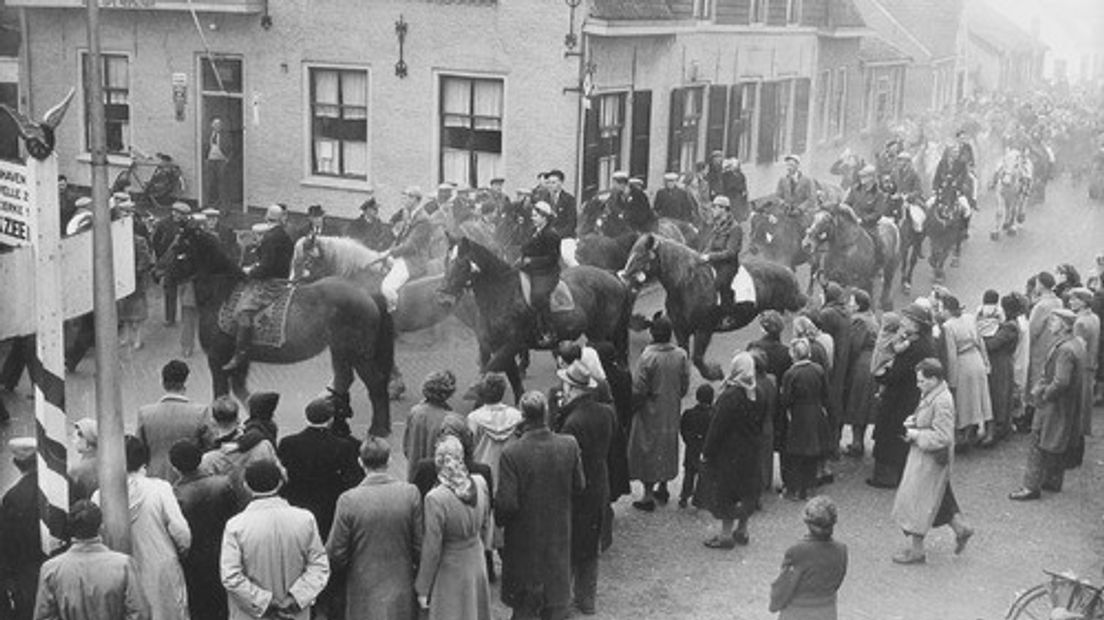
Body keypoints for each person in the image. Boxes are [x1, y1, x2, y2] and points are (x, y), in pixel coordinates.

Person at [497, 391, 584, 620]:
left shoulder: (512, 453)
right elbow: (579, 485)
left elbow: (506, 504)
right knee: (556, 605)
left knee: (525, 607)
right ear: (546, 413)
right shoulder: (569, 445)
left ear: (522, 416)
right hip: (558, 536)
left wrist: (499, 521)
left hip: (524, 541)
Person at [94, 436, 191, 620]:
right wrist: (179, 553)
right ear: (144, 460)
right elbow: (181, 532)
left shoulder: (100, 496)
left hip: (118, 573)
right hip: (160, 568)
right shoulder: (161, 488)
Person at [327, 436, 423, 620]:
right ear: (389, 460)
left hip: (362, 587)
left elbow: (336, 552)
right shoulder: (410, 493)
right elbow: (419, 545)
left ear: (360, 462)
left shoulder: (349, 500)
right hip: (401, 584)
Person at [220, 460, 330, 620]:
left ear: (246, 486)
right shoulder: (305, 519)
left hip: (253, 614)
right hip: (295, 612)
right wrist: (296, 598)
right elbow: (319, 566)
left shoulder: (236, 526)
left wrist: (264, 602)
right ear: (280, 483)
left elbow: (230, 576)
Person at [891, 358, 974, 564]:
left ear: (934, 379)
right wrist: (915, 420)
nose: (918, 385)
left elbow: (943, 436)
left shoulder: (942, 401)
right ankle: (961, 529)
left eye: (921, 381)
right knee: (937, 499)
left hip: (929, 459)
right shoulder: (933, 392)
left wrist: (915, 434)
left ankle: (917, 551)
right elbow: (928, 418)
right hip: (925, 458)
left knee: (918, 502)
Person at [555, 362, 615, 615]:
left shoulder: (571, 422)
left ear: (573, 388)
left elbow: (565, 462)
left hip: (576, 490)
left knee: (569, 545)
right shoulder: (606, 412)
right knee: (590, 546)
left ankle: (563, 599)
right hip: (599, 482)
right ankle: (586, 599)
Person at [414, 436, 493, 620]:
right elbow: (486, 522)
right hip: (476, 560)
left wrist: (423, 588)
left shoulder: (435, 498)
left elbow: (432, 548)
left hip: (450, 569)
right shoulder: (480, 482)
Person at [1010, 309, 1085, 500]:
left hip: (1053, 405)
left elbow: (1060, 381)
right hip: (1068, 405)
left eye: (1054, 321)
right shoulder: (1076, 344)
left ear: (1064, 325)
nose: (1050, 324)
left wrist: (1044, 395)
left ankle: (1030, 486)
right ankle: (1053, 480)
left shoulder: (1065, 349)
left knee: (1037, 442)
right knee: (1058, 440)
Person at [32, 500, 149, 620]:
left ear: (71, 528)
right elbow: (140, 614)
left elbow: (43, 617)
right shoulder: (124, 565)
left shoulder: (51, 569)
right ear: (101, 526)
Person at [700, 352, 767, 548]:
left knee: (727, 491)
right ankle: (743, 529)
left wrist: (707, 451)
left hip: (730, 452)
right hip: (751, 450)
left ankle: (725, 534)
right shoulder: (759, 393)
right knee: (747, 490)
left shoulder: (730, 396)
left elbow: (717, 427)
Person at [868, 302, 937, 488]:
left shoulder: (915, 347)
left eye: (907, 319)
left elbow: (898, 373)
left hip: (901, 398)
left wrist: (883, 377)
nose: (903, 322)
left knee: (892, 436)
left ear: (916, 324)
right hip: (909, 396)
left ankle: (887, 477)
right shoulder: (921, 343)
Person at [277, 397, 364, 541]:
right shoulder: (343, 446)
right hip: (330, 506)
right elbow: (352, 477)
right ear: (330, 419)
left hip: (298, 503)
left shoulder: (288, 443)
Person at [628, 315, 690, 511]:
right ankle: (663, 486)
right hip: (671, 406)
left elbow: (639, 387)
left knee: (648, 446)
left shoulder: (648, 356)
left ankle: (647, 495)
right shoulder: (681, 355)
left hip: (650, 409)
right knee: (667, 445)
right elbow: (684, 383)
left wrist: (634, 407)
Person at [223, 204, 295, 371]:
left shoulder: (270, 237)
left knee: (243, 311)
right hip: (282, 277)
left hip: (271, 283)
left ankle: (240, 355)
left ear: (267, 218)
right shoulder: (284, 234)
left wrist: (249, 272)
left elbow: (267, 267)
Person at [170, 441, 236, 620]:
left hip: (193, 559)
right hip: (222, 550)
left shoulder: (176, 495)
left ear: (175, 467)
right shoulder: (223, 484)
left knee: (199, 606)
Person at [769, 496, 848, 620]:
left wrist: (775, 603)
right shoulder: (841, 550)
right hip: (827, 610)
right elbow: (838, 581)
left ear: (808, 523)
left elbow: (784, 586)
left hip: (798, 612)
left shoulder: (797, 551)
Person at [137, 360, 213, 483]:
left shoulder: (145, 413)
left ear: (163, 383)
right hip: (190, 478)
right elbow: (210, 446)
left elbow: (140, 450)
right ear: (185, 382)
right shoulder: (200, 412)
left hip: (156, 477)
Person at [199, 396, 279, 512]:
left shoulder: (209, 459)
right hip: (259, 509)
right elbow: (280, 475)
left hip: (226, 513)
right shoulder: (262, 445)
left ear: (213, 421)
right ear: (238, 420)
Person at [779, 339, 830, 501]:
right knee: (812, 453)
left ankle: (795, 490)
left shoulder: (790, 374)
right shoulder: (818, 369)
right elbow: (826, 393)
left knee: (796, 453)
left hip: (798, 414)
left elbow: (786, 399)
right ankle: (809, 489)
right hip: (816, 412)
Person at [0, 438, 45, 620]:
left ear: (16, 464)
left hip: (26, 570)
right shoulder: (62, 486)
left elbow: (7, 542)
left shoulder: (12, 497)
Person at [941, 295, 994, 446]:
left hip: (963, 362)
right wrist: (986, 362)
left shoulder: (948, 326)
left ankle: (965, 434)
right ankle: (985, 429)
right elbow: (980, 341)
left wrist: (952, 380)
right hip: (977, 359)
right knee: (982, 396)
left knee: (964, 400)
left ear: (947, 310)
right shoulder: (970, 318)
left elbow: (951, 355)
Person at [1022, 271, 1064, 430]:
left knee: (1035, 380)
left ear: (1040, 284)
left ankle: (1032, 419)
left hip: (1039, 348)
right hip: (1052, 345)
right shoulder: (1058, 301)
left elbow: (1032, 330)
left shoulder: (1041, 306)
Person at [467, 372, 523, 491]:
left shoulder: (474, 418)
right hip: (509, 470)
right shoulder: (516, 416)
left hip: (482, 471)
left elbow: (470, 446)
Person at [517, 200, 562, 348]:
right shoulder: (533, 231)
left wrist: (531, 261)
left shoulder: (551, 234)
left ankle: (549, 330)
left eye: (536, 215)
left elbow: (552, 258)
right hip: (531, 269)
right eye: (533, 215)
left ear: (544, 217)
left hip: (548, 272)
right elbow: (525, 248)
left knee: (538, 296)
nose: (533, 218)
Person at [381, 187, 433, 311]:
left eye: (408, 196)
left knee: (387, 288)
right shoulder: (408, 215)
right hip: (402, 257)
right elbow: (399, 239)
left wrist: (390, 252)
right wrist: (388, 251)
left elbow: (411, 246)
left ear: (416, 200)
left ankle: (395, 313)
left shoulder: (423, 220)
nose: (404, 199)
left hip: (413, 261)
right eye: (404, 196)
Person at [403, 370, 461, 481]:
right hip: (438, 479)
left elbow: (406, 447)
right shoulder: (451, 420)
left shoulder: (415, 412)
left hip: (415, 475)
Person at [698, 195, 744, 330]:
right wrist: (701, 255)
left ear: (724, 209)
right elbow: (710, 244)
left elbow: (730, 252)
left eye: (715, 207)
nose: (713, 209)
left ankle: (727, 315)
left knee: (719, 284)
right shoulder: (717, 224)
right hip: (714, 261)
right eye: (713, 206)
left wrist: (709, 257)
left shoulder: (735, 228)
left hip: (728, 264)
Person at [843, 290, 878, 457]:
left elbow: (854, 345)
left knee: (858, 402)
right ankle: (859, 441)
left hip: (862, 364)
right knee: (864, 403)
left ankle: (857, 443)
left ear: (858, 304)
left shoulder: (859, 321)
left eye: (851, 301)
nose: (849, 304)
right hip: (871, 362)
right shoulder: (871, 317)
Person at [983, 294, 1022, 442]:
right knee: (1002, 394)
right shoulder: (1010, 324)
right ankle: (1001, 427)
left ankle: (998, 430)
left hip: (1000, 363)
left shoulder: (1009, 327)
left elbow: (992, 344)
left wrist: (980, 339)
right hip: (1002, 362)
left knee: (999, 395)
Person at [152, 201, 192, 326]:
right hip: (169, 262)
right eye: (177, 213)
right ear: (173, 212)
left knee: (188, 291)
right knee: (170, 290)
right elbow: (156, 242)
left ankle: (188, 318)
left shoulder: (189, 226)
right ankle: (170, 318)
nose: (179, 216)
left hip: (184, 262)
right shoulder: (163, 224)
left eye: (182, 214)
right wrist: (162, 257)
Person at [1069, 287, 1099, 437]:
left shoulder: (1079, 322)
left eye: (1075, 299)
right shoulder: (1094, 318)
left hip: (1081, 365)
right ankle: (1085, 428)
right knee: (1086, 399)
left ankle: (1077, 431)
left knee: (1078, 400)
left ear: (1084, 302)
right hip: (1091, 363)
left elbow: (1077, 348)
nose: (1071, 302)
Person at [845, 165, 888, 265]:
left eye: (865, 176)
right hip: (852, 223)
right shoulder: (855, 189)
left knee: (878, 243)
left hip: (868, 226)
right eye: (861, 176)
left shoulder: (878, 194)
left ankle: (878, 266)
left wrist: (863, 220)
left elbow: (878, 213)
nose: (861, 179)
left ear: (872, 178)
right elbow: (847, 204)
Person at [679, 384, 714, 508]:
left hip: (692, 447)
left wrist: (688, 441)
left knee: (689, 473)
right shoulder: (713, 415)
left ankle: (684, 496)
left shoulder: (689, 413)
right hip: (705, 448)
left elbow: (683, 428)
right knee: (703, 474)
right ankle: (699, 499)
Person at [539, 169, 578, 264]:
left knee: (567, 257)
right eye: (548, 183)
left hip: (565, 237)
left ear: (561, 183)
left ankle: (578, 274)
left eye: (553, 182)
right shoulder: (544, 199)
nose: (550, 185)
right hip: (547, 236)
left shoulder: (569, 199)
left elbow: (571, 223)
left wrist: (557, 235)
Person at [68, 418, 99, 502]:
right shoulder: (108, 464)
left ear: (89, 445)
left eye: (79, 434)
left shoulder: (76, 470)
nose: (74, 436)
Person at [206, 117, 229, 212]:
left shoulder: (225, 135)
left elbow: (231, 146)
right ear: (212, 125)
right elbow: (205, 145)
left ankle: (224, 206)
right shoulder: (209, 135)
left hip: (221, 160)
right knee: (211, 183)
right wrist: (205, 158)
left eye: (219, 124)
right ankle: (212, 204)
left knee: (222, 183)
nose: (217, 126)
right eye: (215, 124)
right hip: (211, 160)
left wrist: (228, 159)